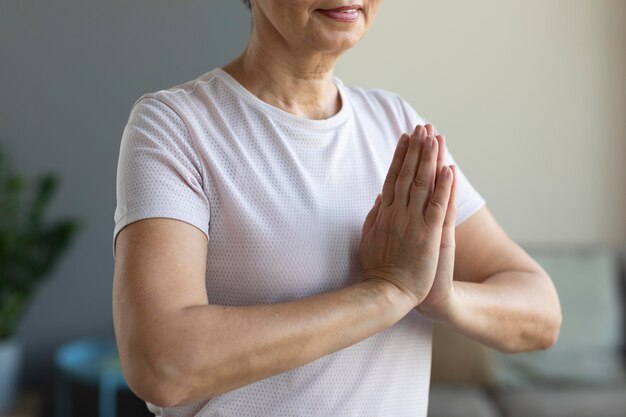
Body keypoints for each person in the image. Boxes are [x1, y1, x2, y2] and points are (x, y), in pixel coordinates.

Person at [112, 1, 562, 416]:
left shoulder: (397, 124)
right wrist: (386, 293)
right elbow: (162, 365)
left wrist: (439, 295)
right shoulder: (176, 126)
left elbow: (541, 313)